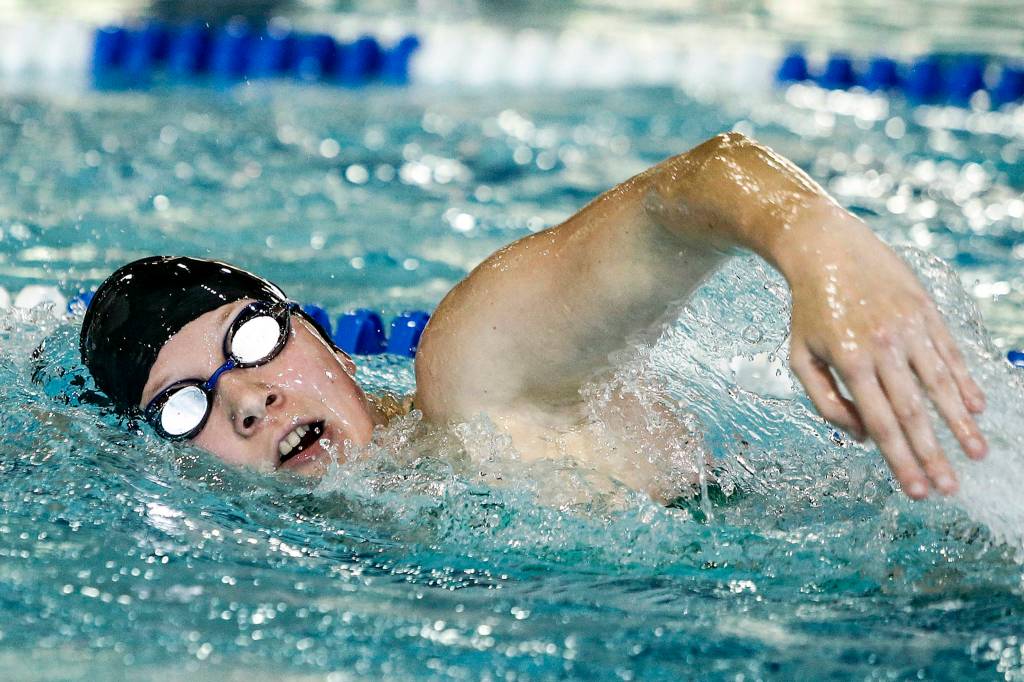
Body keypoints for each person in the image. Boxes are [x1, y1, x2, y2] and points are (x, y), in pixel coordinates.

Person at [79, 132, 988, 502]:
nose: (248, 401)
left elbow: (695, 182)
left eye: (252, 340)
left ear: (320, 337)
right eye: (185, 407)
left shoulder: (475, 385)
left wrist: (820, 246)